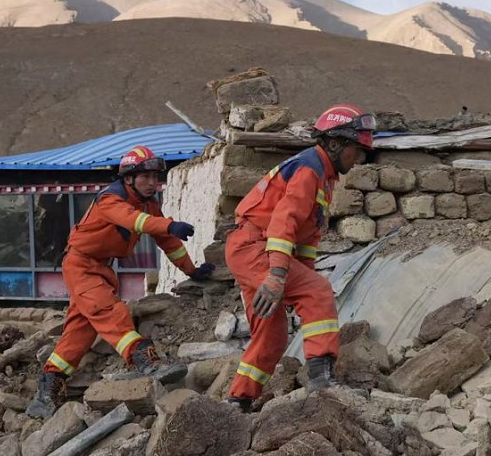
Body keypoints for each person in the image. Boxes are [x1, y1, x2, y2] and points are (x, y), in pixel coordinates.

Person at [26, 145, 215, 419]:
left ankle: (47, 391)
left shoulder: (148, 205)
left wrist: (191, 270)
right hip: (81, 265)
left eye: (155, 177)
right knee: (110, 311)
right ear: (128, 178)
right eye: (145, 177)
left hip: (101, 268)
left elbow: (168, 242)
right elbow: (135, 221)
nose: (152, 183)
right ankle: (144, 362)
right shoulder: (111, 200)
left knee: (80, 331)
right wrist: (168, 224)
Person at [223, 104, 375, 411]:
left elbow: (306, 237)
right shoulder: (310, 169)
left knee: (272, 336)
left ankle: (238, 400)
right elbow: (284, 222)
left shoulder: (324, 176)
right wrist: (279, 276)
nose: (357, 159)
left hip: (252, 249)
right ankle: (321, 381)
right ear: (334, 143)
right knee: (318, 290)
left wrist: (296, 279)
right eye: (355, 150)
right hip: (256, 248)